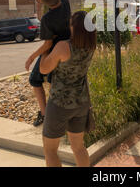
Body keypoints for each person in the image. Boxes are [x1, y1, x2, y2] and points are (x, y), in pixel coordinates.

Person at [40, 10, 97, 167]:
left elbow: (44, 69)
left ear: (75, 27)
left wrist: (45, 49)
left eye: (71, 24)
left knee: (50, 149)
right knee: (78, 147)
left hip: (60, 103)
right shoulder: (91, 46)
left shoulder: (63, 47)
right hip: (81, 103)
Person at [25, 0, 71, 127]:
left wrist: (31, 57)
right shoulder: (65, 3)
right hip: (69, 49)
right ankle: (57, 115)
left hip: (54, 53)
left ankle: (45, 114)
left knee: (35, 79)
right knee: (55, 83)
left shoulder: (47, 18)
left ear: (42, 1)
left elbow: (47, 44)